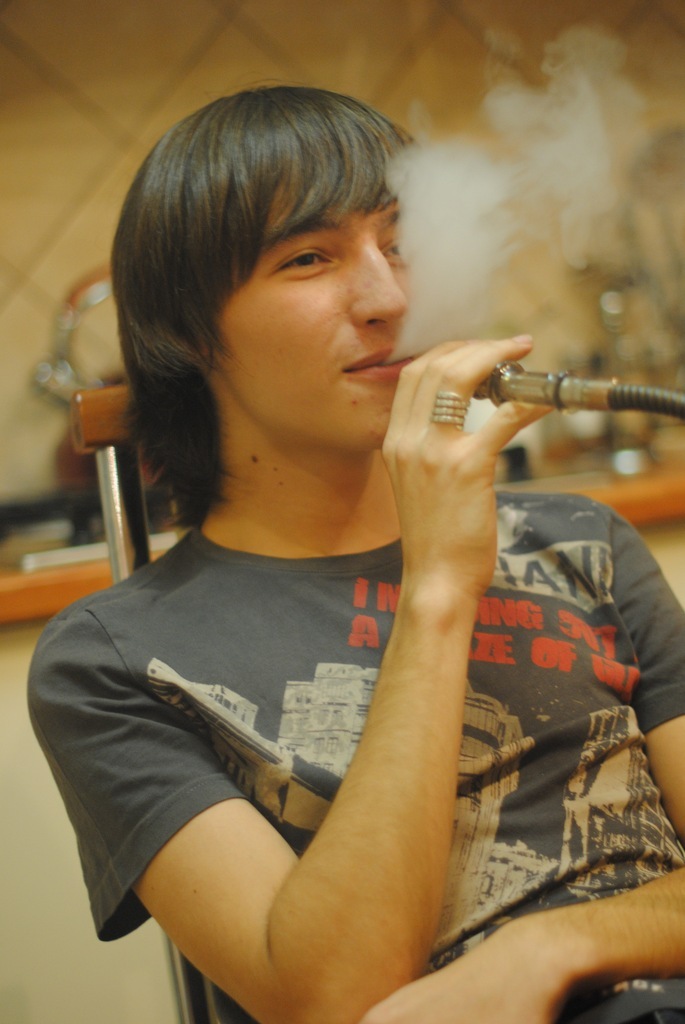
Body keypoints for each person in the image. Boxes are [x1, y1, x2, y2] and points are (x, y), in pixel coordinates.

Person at [28, 85, 685, 1024]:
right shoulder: (112, 661)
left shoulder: (584, 543)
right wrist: (437, 587)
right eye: (308, 258)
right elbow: (333, 996)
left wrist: (555, 947)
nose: (390, 299)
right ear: (189, 331)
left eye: (401, 244)